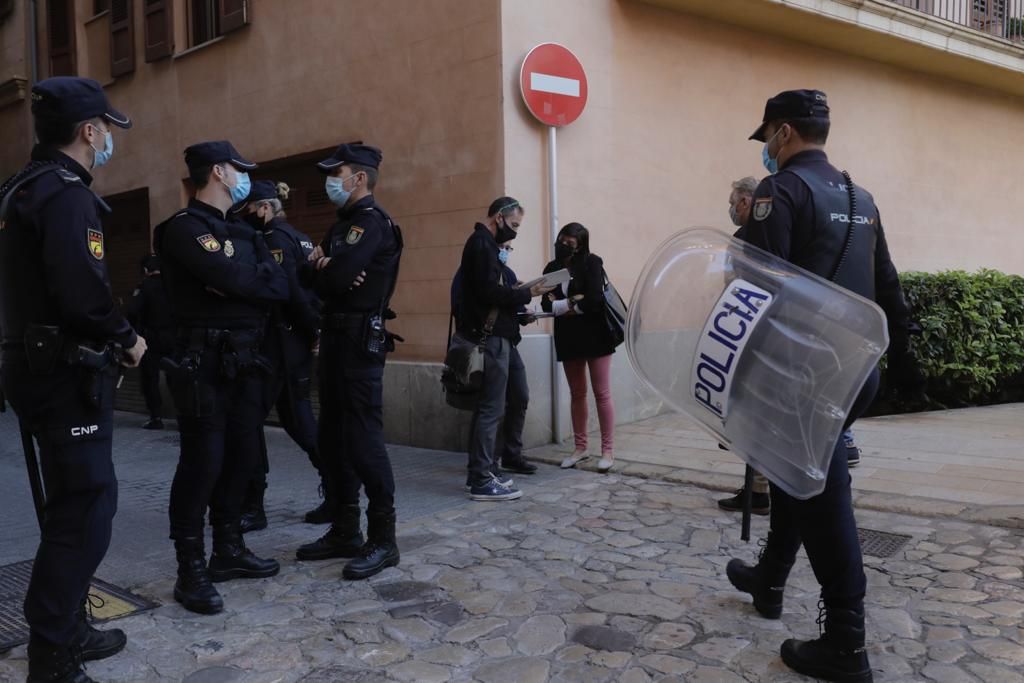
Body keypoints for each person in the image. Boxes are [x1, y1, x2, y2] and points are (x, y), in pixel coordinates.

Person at [726, 89, 923, 682]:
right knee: (796, 471)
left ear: (783, 134)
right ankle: (771, 580)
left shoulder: (779, 192)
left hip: (802, 375)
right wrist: (907, 360)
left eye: (768, 140)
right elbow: (886, 284)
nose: (767, 152)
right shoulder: (861, 197)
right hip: (857, 369)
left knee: (825, 498)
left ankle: (845, 642)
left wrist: (738, 379)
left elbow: (758, 290)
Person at [0, 76, 146, 683]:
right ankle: (53, 652)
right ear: (89, 131)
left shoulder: (19, 190)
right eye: (106, 128)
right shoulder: (66, 195)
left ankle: (68, 625)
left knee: (72, 503)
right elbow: (82, 294)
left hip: (34, 367)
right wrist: (127, 337)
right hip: (64, 373)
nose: (109, 137)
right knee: (85, 509)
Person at [155, 141, 289, 615]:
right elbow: (243, 281)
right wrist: (241, 283)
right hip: (203, 363)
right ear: (218, 172)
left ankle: (228, 550)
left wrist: (237, 284)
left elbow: (278, 285)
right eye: (239, 170)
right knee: (203, 463)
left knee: (243, 457)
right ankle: (190, 569)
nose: (244, 177)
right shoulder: (181, 229)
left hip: (245, 360)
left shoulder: (243, 233)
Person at [295, 143, 404, 581]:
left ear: (358, 178)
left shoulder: (372, 224)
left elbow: (332, 277)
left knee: (363, 440)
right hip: (335, 340)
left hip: (360, 342)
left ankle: (383, 538)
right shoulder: (341, 228)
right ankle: (345, 529)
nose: (329, 181)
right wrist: (324, 268)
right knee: (332, 438)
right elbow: (308, 278)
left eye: (334, 173)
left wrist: (327, 268)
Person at [234, 181, 324, 534]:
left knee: (251, 422)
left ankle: (253, 505)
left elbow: (285, 291)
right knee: (298, 420)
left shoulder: (272, 240)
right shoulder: (301, 237)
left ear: (266, 208)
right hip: (293, 346)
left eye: (250, 210)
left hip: (278, 347)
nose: (248, 217)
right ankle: (336, 489)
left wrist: (311, 327)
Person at [457, 198, 552, 502]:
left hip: (505, 337)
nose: (513, 234)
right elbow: (487, 293)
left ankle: (489, 466)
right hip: (492, 338)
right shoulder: (481, 244)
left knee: (514, 397)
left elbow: (494, 289)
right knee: (490, 407)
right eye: (512, 226)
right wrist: (526, 293)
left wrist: (519, 292)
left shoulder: (487, 246)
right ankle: (481, 477)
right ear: (498, 218)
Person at [451, 240, 537, 491]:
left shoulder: (505, 272)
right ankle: (483, 469)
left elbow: (510, 304)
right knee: (489, 408)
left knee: (519, 396)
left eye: (510, 247)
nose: (506, 251)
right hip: (488, 343)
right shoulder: (474, 268)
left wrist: (523, 312)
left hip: (508, 341)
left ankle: (508, 455)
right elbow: (474, 303)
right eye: (504, 246)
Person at [542, 223, 618, 473]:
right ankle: (580, 447)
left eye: (569, 241)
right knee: (577, 393)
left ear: (580, 244)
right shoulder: (552, 268)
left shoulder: (592, 263)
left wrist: (566, 305)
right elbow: (545, 301)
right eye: (561, 239)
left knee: (602, 393)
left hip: (596, 335)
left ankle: (607, 451)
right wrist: (573, 302)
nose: (562, 244)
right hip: (569, 336)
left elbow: (595, 299)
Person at [126, 253, 173, 430]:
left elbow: (132, 311)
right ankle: (184, 416)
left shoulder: (145, 287)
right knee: (176, 377)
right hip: (175, 337)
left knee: (150, 379)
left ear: (146, 270)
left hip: (151, 339)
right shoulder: (173, 286)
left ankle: (156, 417)